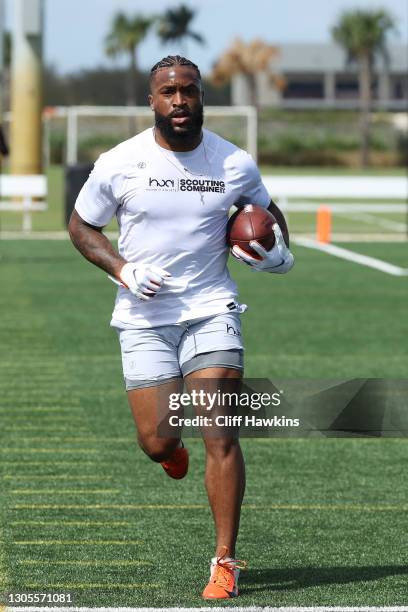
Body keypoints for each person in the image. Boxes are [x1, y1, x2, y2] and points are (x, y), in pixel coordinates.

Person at [68, 55, 294, 599]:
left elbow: (271, 220)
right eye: (167, 92)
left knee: (221, 430)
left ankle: (225, 560)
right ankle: (170, 453)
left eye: (187, 91)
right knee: (156, 440)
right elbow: (81, 225)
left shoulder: (234, 163)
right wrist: (122, 269)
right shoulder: (121, 162)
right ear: (152, 100)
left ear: (200, 97)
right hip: (144, 317)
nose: (178, 101)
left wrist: (277, 256)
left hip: (212, 309)